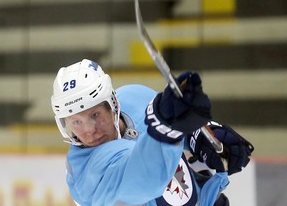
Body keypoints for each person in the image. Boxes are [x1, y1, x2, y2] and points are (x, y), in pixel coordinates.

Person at [51, 59, 254, 206]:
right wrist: (168, 127)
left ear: (113, 104)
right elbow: (145, 178)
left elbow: (178, 127)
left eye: (95, 115)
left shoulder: (134, 96)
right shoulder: (85, 171)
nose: (88, 132)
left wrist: (200, 136)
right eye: (76, 122)